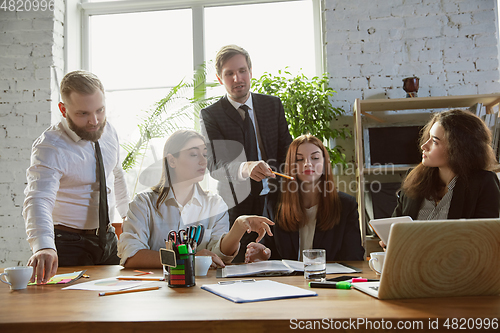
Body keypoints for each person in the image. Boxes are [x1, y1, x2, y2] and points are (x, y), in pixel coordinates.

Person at [23, 70, 130, 284]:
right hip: (68, 244)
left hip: (108, 239)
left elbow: (116, 174)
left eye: (100, 110)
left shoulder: (108, 131)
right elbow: (38, 199)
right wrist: (44, 245)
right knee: (69, 310)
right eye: (83, 114)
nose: (94, 121)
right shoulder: (50, 146)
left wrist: (129, 217)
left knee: (111, 304)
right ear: (63, 109)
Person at [117, 130, 274, 268]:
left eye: (205, 155)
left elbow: (220, 256)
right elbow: (132, 255)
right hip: (157, 293)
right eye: (193, 154)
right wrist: (186, 259)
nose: (203, 161)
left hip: (203, 293)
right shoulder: (143, 204)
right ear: (171, 160)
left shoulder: (215, 204)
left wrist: (239, 227)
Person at [200, 44, 292, 262]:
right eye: (229, 74)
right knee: (239, 265)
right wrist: (245, 167)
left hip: (277, 200)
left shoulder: (272, 105)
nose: (237, 78)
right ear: (220, 78)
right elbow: (215, 165)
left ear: (250, 72)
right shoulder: (211, 115)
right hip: (236, 207)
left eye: (242, 71)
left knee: (280, 262)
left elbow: (286, 149)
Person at [245, 135, 365, 263]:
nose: (308, 164)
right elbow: (268, 249)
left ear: (324, 164)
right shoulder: (274, 202)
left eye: (315, 158)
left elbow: (354, 257)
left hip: (328, 281)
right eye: (299, 159)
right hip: (286, 282)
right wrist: (262, 254)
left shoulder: (346, 205)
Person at [393, 109, 500, 220]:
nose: (424, 146)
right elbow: (394, 228)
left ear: (458, 148)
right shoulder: (414, 179)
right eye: (428, 137)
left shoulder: (484, 183)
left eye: (434, 141)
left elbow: (485, 234)